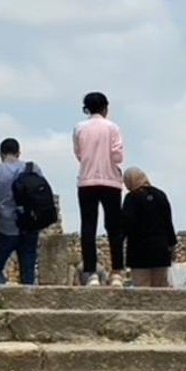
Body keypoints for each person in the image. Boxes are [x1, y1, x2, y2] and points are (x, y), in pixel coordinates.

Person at [73, 91, 125, 286]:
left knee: (88, 227)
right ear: (105, 108)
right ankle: (117, 272)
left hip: (87, 180)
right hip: (110, 180)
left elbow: (78, 153)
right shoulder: (113, 128)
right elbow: (117, 155)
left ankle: (91, 272)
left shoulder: (79, 128)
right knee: (114, 228)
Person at [0, 137, 39, 285]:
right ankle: (27, 298)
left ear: (0, 154)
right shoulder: (32, 168)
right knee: (28, 270)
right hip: (29, 225)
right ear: (18, 153)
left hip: (6, 226)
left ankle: (3, 293)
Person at [121, 167, 178, 287]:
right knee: (160, 290)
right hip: (160, 252)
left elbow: (126, 225)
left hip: (138, 254)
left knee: (142, 292)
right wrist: (172, 247)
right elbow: (168, 224)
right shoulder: (160, 195)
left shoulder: (131, 198)